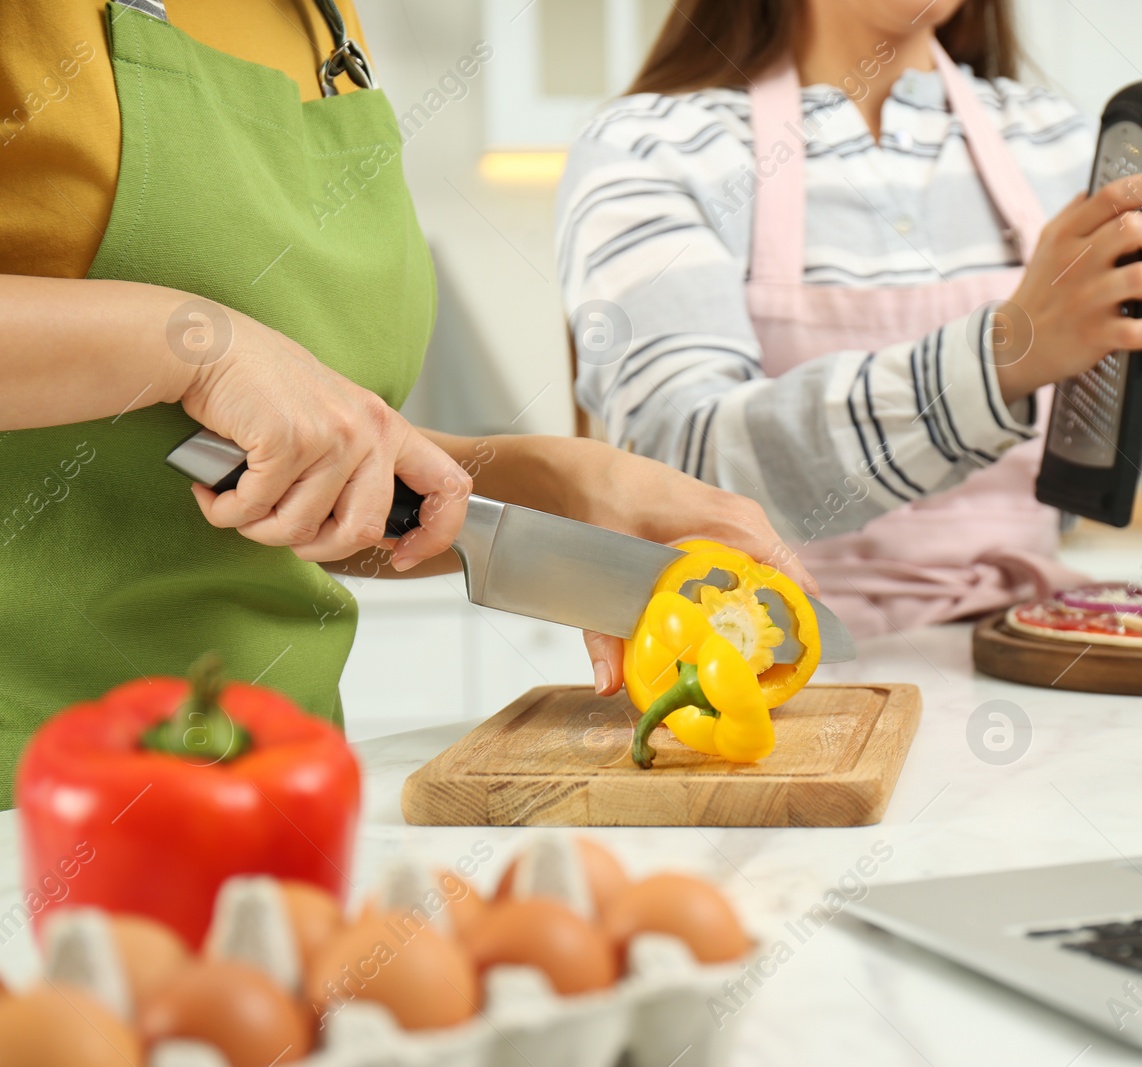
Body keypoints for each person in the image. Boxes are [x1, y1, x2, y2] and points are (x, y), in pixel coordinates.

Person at [0, 0, 809, 808]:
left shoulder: (326, 24)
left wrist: (561, 481)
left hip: (281, 787)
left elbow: (292, 481)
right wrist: (195, 349)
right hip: (32, 800)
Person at [556, 0, 1142, 636]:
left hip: (1034, 664)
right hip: (774, 677)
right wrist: (1003, 357)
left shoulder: (1058, 146)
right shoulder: (650, 150)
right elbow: (678, 465)